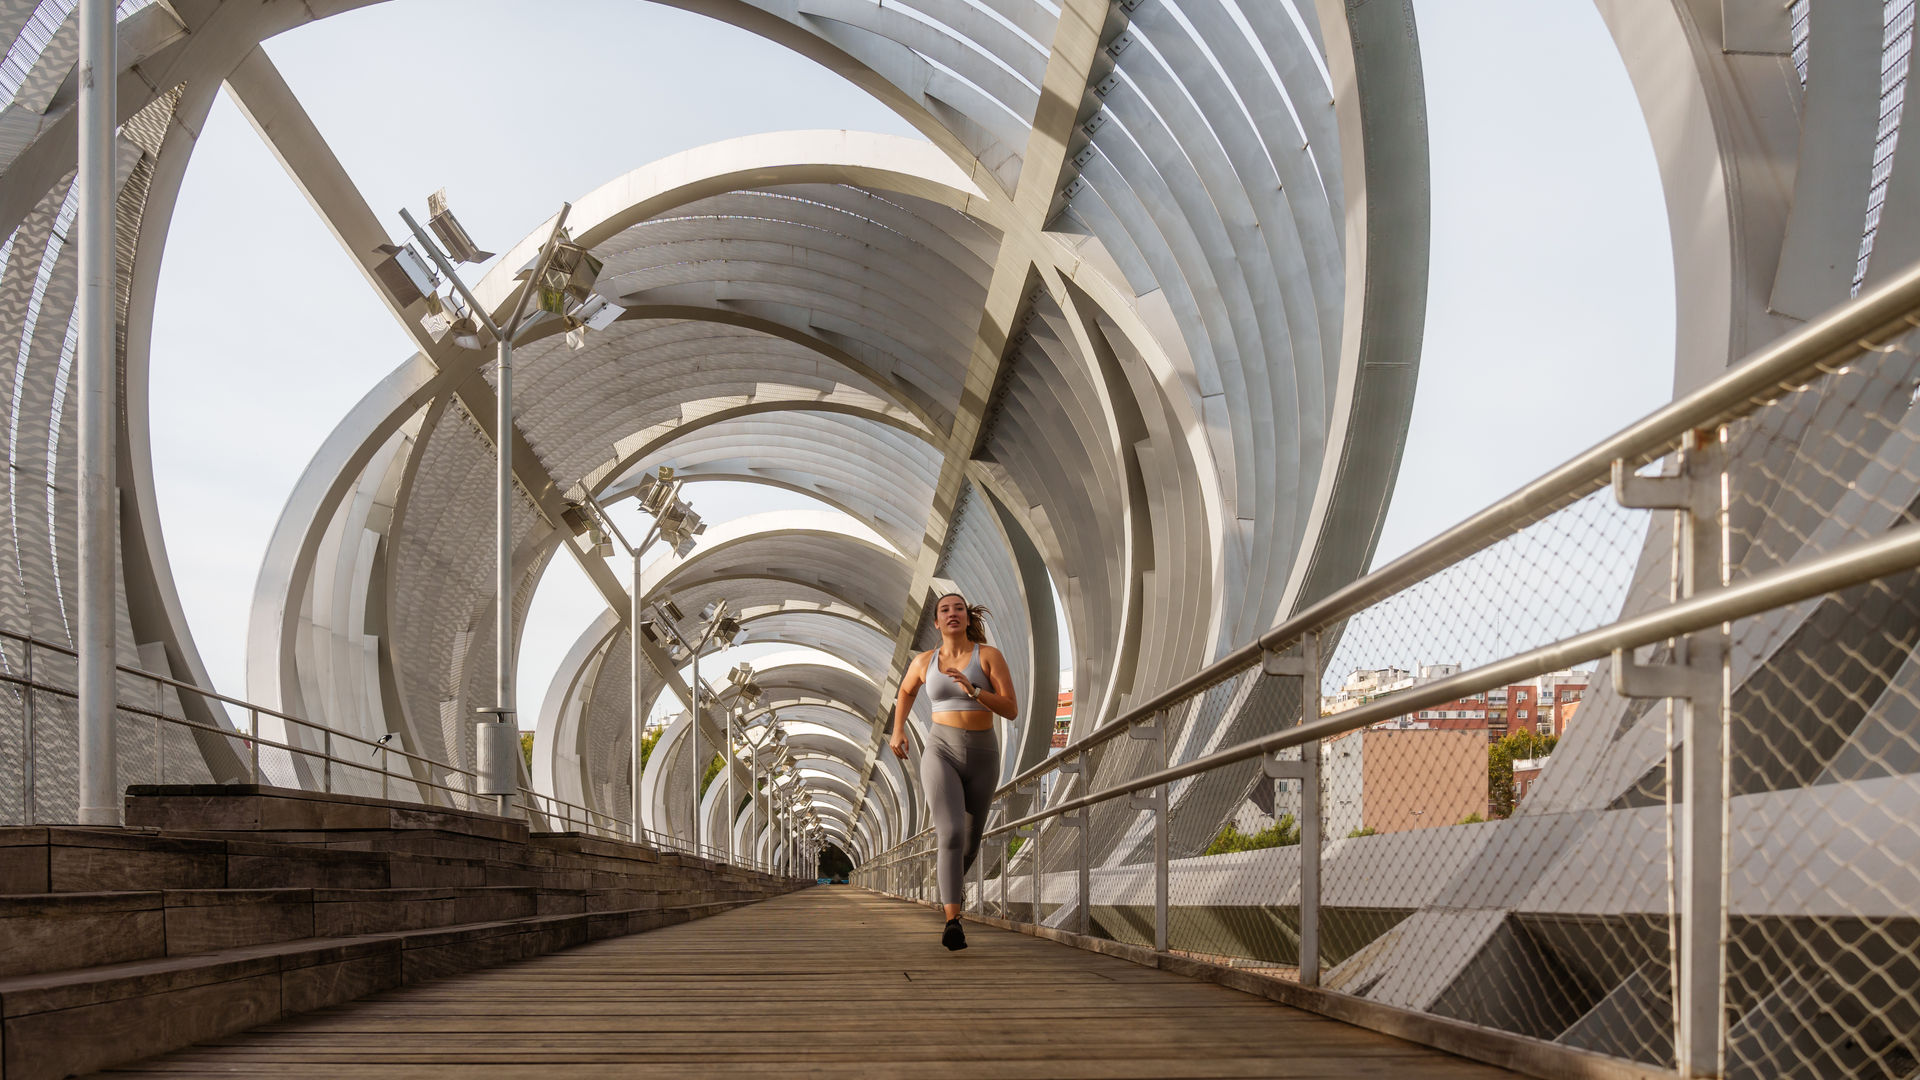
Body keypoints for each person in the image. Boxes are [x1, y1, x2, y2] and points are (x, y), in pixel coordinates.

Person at [889, 591, 1017, 951]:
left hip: (983, 754)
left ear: (966, 617)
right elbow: (905, 690)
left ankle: (949, 889)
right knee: (950, 833)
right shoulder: (924, 661)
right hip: (940, 750)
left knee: (970, 841)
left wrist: (976, 691)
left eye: (958, 608)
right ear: (936, 622)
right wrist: (898, 729)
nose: (952, 614)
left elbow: (1010, 709)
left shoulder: (988, 656)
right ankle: (952, 921)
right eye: (944, 610)